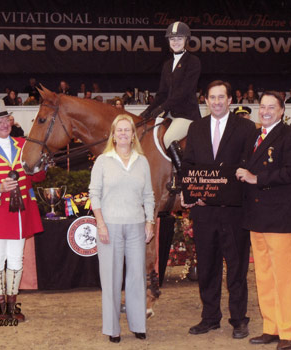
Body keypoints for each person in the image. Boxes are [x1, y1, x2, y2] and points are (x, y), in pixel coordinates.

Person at [182, 80, 254, 339]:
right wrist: (191, 192)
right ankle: (210, 317)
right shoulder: (196, 128)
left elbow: (249, 164)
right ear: (206, 101)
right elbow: (189, 165)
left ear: (230, 100)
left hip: (235, 210)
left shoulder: (246, 128)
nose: (216, 101)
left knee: (237, 268)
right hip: (204, 211)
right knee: (208, 266)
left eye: (221, 97)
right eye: (212, 97)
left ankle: (239, 319)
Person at [235, 91, 291, 350]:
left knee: (283, 277)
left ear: (281, 110)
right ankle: (270, 327)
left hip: (280, 217)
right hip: (257, 217)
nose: (265, 111)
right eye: (262, 107)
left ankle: (287, 332)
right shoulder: (254, 135)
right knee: (263, 275)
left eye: (271, 107)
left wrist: (256, 178)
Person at [0, 100, 46, 322]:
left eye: (6, 120)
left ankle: (12, 305)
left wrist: (41, 165)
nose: (4, 124)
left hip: (21, 213)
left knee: (16, 260)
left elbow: (37, 177)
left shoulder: (25, 144)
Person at [89, 114, 155, 343]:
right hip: (110, 227)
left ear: (133, 135)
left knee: (137, 277)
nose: (124, 134)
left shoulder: (142, 161)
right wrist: (101, 224)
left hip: (136, 225)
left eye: (128, 130)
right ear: (113, 135)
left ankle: (138, 325)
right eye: (120, 130)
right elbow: (93, 195)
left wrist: (149, 221)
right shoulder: (103, 161)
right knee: (111, 279)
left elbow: (148, 195)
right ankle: (113, 328)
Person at [140, 21, 201, 170]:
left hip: (186, 115)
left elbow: (183, 92)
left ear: (186, 40)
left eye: (179, 38)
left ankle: (182, 176)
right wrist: (147, 112)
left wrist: (162, 107)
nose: (176, 42)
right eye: (172, 39)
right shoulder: (167, 65)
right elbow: (162, 93)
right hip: (170, 114)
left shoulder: (193, 62)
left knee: (168, 139)